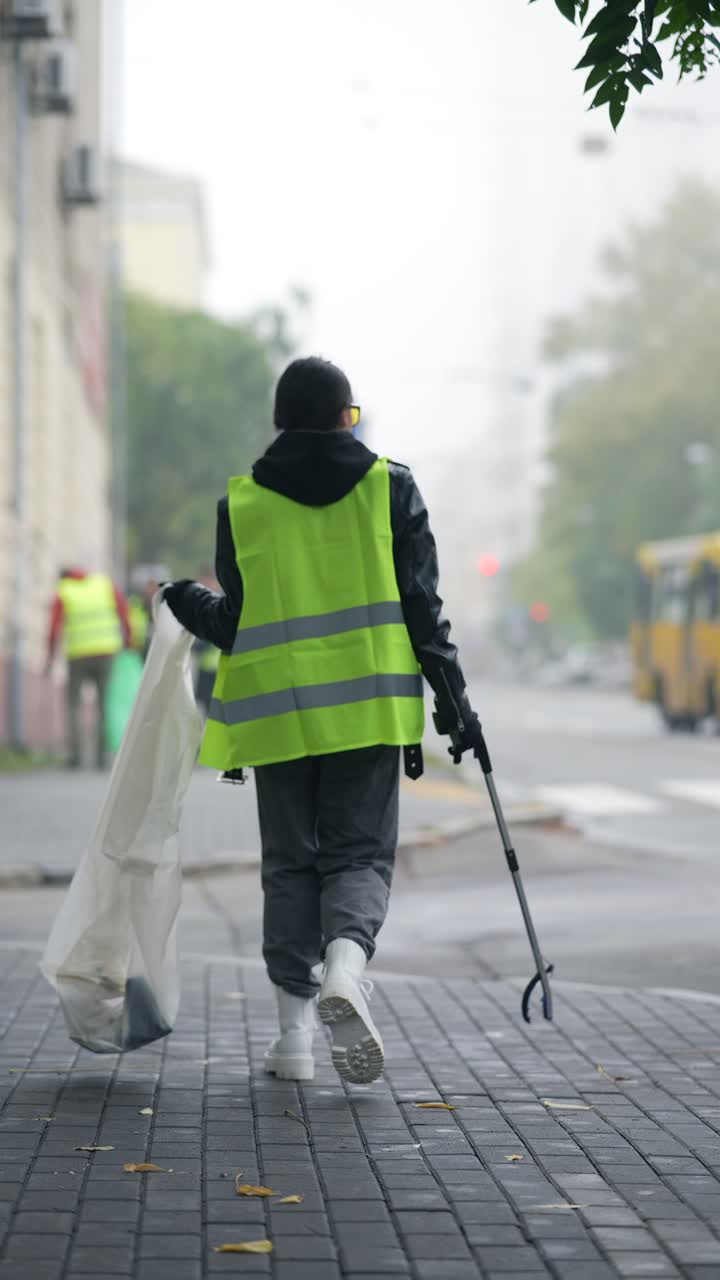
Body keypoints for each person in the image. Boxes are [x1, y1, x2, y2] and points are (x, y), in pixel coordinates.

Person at [163, 357, 483, 1085]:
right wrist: (454, 704)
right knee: (359, 857)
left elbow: (235, 623)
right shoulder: (390, 488)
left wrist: (183, 598)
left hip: (279, 716)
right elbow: (423, 609)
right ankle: (344, 967)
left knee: (289, 865)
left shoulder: (242, 503)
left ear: (281, 422)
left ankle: (293, 1042)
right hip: (368, 711)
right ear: (346, 418)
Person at [46, 567, 131, 769]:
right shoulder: (104, 585)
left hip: (78, 655)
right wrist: (128, 641)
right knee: (103, 704)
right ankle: (101, 757)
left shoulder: (64, 591)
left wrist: (50, 657)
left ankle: (75, 757)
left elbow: (54, 627)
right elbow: (124, 613)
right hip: (106, 652)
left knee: (73, 704)